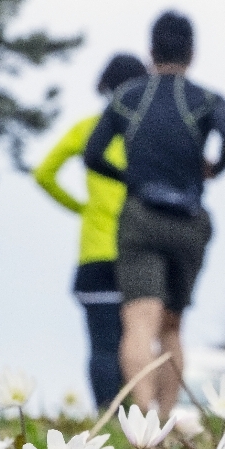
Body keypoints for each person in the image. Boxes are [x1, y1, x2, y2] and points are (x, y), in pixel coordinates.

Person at [84, 11, 225, 417]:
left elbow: (93, 154)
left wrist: (127, 177)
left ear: (151, 51)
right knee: (172, 327)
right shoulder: (206, 99)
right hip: (190, 220)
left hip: (141, 216)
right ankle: (166, 422)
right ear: (192, 52)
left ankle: (143, 429)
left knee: (138, 324)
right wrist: (215, 168)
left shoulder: (128, 98)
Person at [33, 53, 148, 409]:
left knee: (102, 343)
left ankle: (105, 415)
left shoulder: (87, 129)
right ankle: (137, 418)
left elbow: (43, 174)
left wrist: (81, 208)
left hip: (95, 251)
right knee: (138, 339)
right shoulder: (146, 131)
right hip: (140, 249)